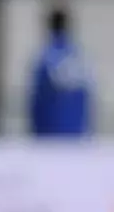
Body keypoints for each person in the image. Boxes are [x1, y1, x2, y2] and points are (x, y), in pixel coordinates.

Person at [29, 8, 91, 138]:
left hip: (49, 134)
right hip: (76, 134)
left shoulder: (45, 56)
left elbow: (35, 100)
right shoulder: (78, 56)